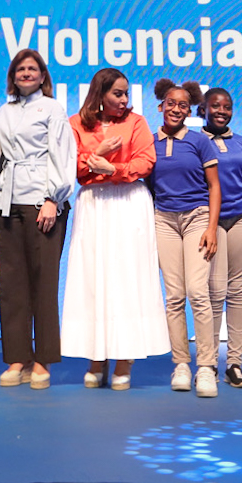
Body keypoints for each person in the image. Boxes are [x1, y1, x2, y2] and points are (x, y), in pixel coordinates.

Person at [61, 68, 166, 389]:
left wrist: (113, 168)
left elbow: (145, 162)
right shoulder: (76, 123)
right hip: (93, 203)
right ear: (100, 94)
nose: (124, 100)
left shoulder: (136, 122)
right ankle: (96, 357)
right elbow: (71, 165)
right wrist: (98, 154)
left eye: (126, 94)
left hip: (128, 201)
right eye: (117, 94)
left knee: (126, 278)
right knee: (93, 279)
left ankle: (124, 357)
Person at [0, 48, 76, 390]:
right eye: (20, 69)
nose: (26, 73)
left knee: (43, 283)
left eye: (32, 69)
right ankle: (18, 357)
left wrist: (53, 198)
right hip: (7, 202)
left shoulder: (52, 108)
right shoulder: (4, 111)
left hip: (42, 202)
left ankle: (43, 359)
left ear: (42, 76)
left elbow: (63, 154)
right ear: (13, 76)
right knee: (11, 284)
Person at [149, 78, 221, 397]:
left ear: (190, 111)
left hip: (197, 218)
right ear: (160, 106)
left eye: (182, 105)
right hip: (164, 220)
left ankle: (206, 366)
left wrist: (211, 227)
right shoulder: (149, 142)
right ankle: (181, 364)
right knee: (174, 296)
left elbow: (215, 186)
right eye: (171, 103)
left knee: (198, 292)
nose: (176, 109)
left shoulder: (200, 141)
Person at [201, 87, 242, 389]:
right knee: (214, 292)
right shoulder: (195, 142)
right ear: (203, 109)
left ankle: (234, 363)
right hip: (211, 221)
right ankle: (208, 362)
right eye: (215, 106)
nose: (222, 111)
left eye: (227, 107)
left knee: (237, 292)